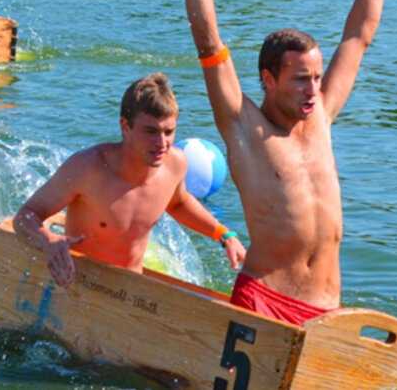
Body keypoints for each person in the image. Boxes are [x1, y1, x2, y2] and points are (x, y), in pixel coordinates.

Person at [178, 0, 397, 325]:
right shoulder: (243, 126)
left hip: (328, 312)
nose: (313, 89)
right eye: (300, 79)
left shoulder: (321, 116)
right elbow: (208, 43)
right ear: (268, 79)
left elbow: (358, 37)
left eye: (316, 77)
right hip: (265, 302)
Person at [14, 72, 246, 288]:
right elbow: (25, 216)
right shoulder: (88, 168)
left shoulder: (176, 164)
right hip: (76, 286)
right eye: (150, 132)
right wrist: (48, 241)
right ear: (125, 127)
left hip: (129, 292)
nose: (162, 143)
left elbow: (179, 203)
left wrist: (224, 234)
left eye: (169, 132)